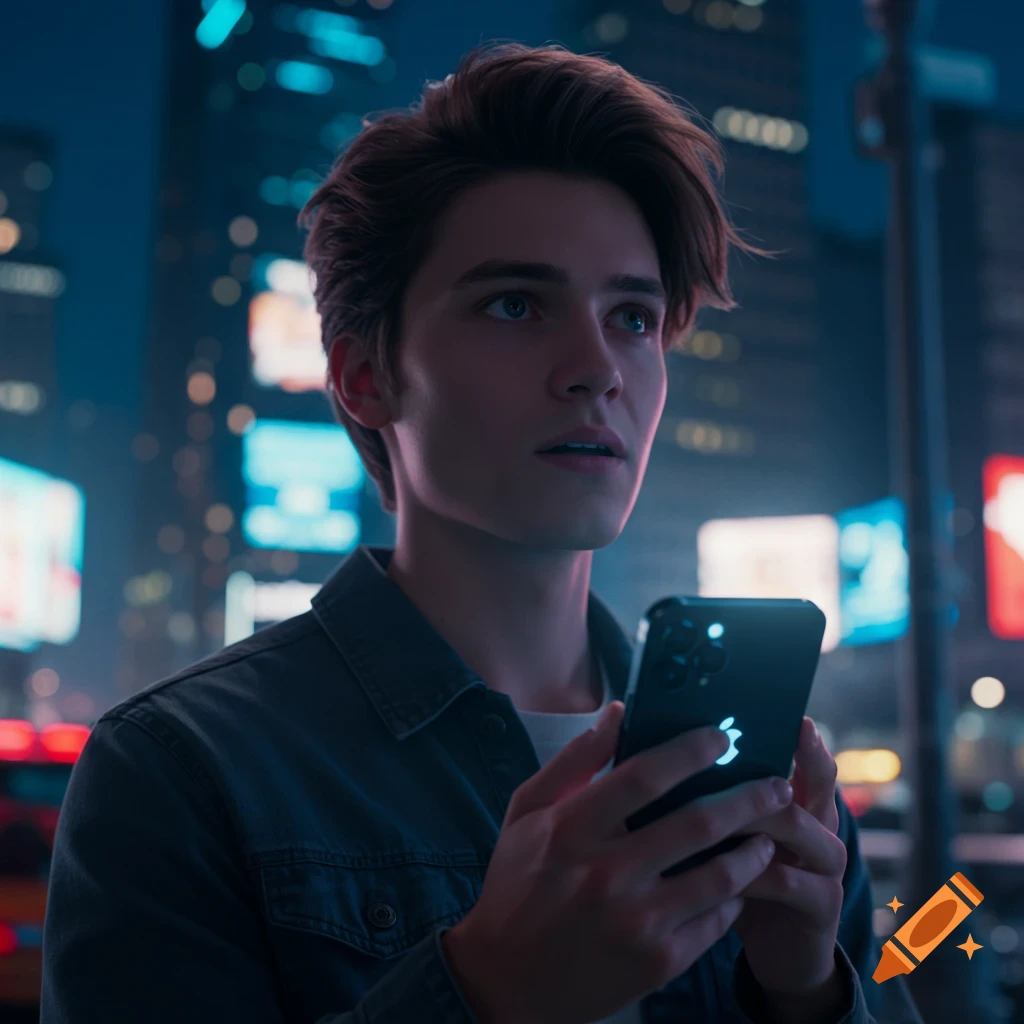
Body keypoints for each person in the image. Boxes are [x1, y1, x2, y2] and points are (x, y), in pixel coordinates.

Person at [41, 42, 924, 1024]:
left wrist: (805, 993)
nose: (598, 368)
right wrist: (487, 991)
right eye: (516, 304)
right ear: (364, 376)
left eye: (631, 317)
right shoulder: (182, 771)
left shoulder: (753, 775)